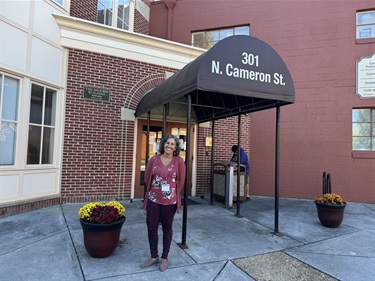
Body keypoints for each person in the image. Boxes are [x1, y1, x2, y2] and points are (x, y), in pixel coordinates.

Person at [141, 134, 186, 272]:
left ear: (176, 147)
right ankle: (153, 256)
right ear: (163, 145)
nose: (169, 146)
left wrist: (174, 194)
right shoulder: (154, 159)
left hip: (170, 201)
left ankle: (164, 257)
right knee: (151, 227)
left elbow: (181, 181)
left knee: (167, 228)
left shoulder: (178, 161)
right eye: (167, 143)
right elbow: (147, 178)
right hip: (154, 199)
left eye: (172, 144)